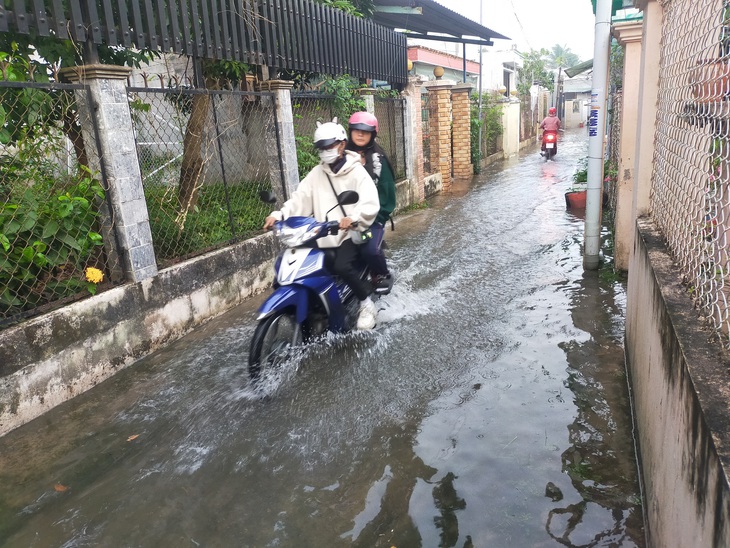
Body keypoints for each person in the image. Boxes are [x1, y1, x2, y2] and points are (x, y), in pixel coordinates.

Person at [263, 118, 380, 330]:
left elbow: (370, 202)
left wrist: (353, 218)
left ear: (342, 145)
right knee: (291, 263)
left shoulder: (357, 172)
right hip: (321, 233)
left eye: (329, 146)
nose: (325, 151)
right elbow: (300, 198)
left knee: (341, 266)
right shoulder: (317, 173)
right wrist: (279, 215)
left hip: (348, 233)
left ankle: (366, 303)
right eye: (321, 148)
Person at [346, 111, 396, 293]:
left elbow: (388, 193)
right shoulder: (340, 157)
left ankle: (381, 273)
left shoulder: (379, 160)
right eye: (357, 130)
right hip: (342, 217)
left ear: (372, 134)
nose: (360, 134)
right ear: (350, 131)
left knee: (370, 251)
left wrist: (376, 217)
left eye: (365, 131)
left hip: (371, 218)